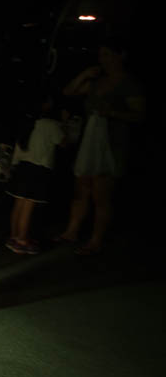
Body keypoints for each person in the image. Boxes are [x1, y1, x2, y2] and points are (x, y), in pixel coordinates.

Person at [56, 39, 145, 255]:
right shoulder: (97, 81)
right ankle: (72, 231)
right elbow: (68, 92)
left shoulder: (128, 83)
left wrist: (112, 113)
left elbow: (140, 114)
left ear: (119, 56)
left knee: (101, 194)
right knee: (81, 189)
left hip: (110, 144)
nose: (102, 59)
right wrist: (85, 74)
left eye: (107, 55)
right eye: (101, 55)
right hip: (90, 142)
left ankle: (96, 240)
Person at [5, 92, 65, 255]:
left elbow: (18, 147)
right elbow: (63, 142)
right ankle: (22, 240)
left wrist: (13, 165)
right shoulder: (51, 125)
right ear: (44, 105)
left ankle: (14, 236)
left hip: (22, 168)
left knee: (18, 205)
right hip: (38, 169)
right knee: (28, 206)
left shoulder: (27, 123)